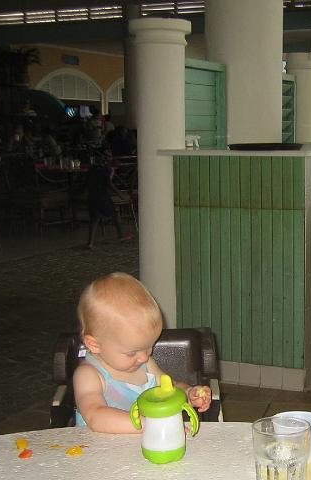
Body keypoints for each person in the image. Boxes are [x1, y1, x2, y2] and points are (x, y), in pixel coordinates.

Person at [73, 272, 212, 433]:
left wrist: (188, 394)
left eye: (149, 347)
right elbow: (95, 417)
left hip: (145, 446)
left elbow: (170, 388)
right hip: (98, 452)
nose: (145, 357)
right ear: (94, 345)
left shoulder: (145, 364)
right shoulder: (89, 375)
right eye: (132, 353)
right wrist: (152, 426)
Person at [85, 152, 134, 250]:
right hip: (101, 196)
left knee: (95, 218)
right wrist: (119, 194)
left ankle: (90, 243)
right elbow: (108, 183)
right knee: (115, 213)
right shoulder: (108, 170)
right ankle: (121, 236)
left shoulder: (94, 168)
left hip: (91, 195)